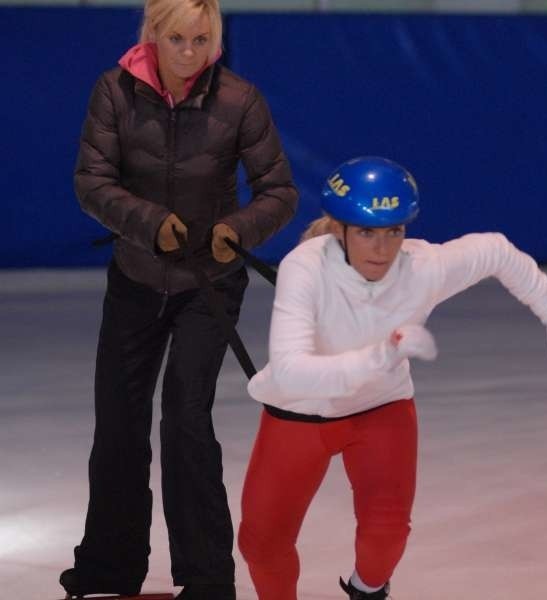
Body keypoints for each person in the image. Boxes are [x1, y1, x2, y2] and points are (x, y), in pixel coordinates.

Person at [237, 156, 547, 600]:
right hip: (298, 414)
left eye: (395, 232)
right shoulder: (304, 268)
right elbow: (290, 370)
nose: (382, 250)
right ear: (339, 228)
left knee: (386, 538)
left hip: (380, 409)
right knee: (262, 545)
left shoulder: (424, 267)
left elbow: (498, 251)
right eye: (367, 232)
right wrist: (381, 356)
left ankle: (367, 592)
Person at [59, 0, 298, 598]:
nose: (189, 54)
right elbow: (92, 181)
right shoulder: (114, 92)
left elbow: (279, 190)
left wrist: (237, 231)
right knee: (118, 421)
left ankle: (208, 579)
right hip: (136, 277)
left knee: (186, 419)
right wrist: (146, 222)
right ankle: (110, 567)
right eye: (176, 39)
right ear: (152, 36)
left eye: (201, 40)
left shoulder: (239, 99)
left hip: (207, 286)